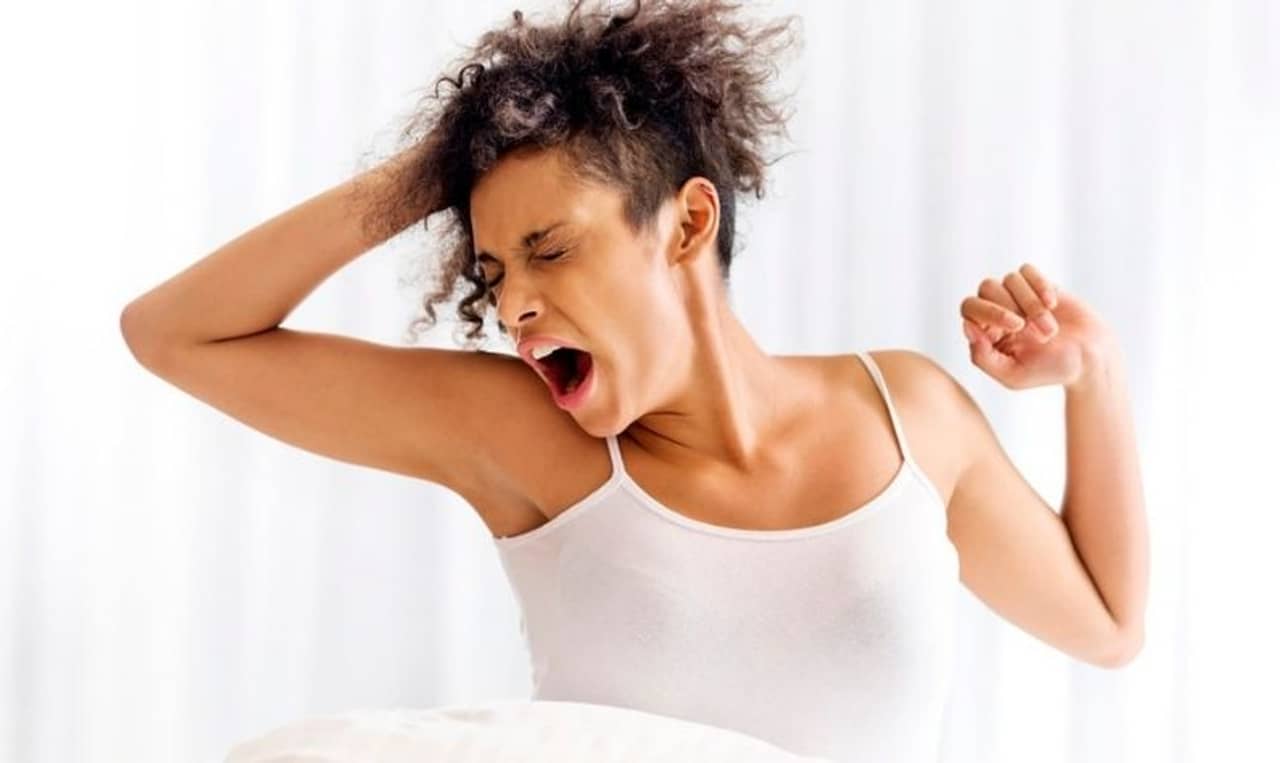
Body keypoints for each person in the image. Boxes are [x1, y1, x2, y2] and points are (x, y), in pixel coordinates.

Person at [121, 1, 1148, 761]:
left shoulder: (908, 414)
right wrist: (435, 169)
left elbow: (1106, 625)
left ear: (688, 223)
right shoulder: (524, 439)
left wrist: (1092, 374)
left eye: (550, 249)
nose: (513, 305)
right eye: (494, 272)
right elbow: (175, 335)